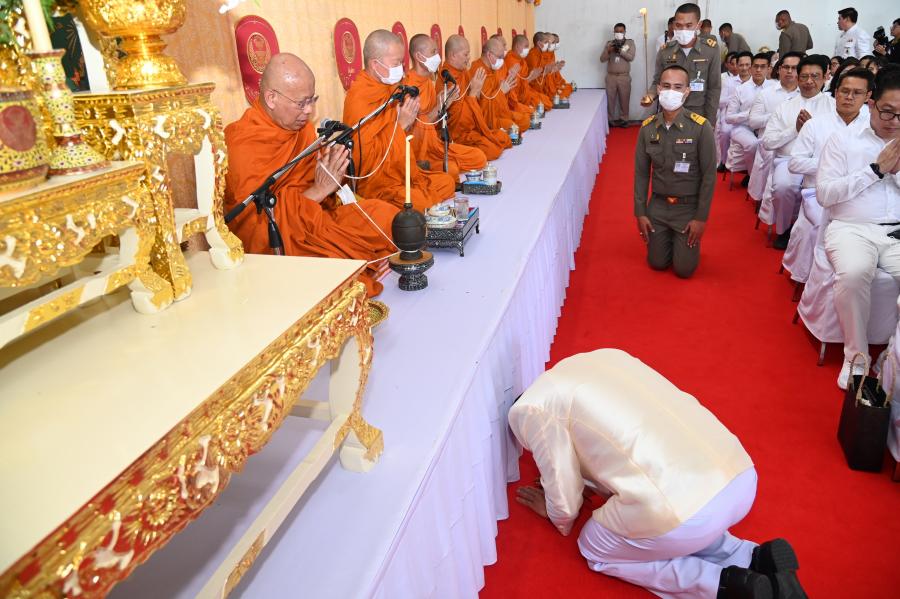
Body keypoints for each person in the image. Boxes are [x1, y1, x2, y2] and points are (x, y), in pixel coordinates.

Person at [510, 348, 809, 599]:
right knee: (675, 511)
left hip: (685, 513)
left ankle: (724, 584)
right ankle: (752, 557)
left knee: (595, 547)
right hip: (739, 474)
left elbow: (562, 490)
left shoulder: (530, 409)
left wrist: (556, 514)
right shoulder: (600, 357)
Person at [224, 53, 398, 297]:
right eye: (301, 103)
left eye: (312, 100)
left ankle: (367, 260)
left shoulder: (301, 130)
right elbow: (255, 227)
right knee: (340, 274)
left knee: (387, 216)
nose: (309, 110)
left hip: (317, 219)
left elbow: (322, 191)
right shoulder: (243, 143)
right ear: (271, 98)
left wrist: (332, 171)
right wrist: (318, 190)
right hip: (283, 242)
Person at [817, 65, 900, 389]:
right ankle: (856, 357)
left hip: (896, 232)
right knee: (853, 274)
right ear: (872, 103)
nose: (894, 121)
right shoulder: (844, 140)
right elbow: (825, 194)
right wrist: (875, 170)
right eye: (888, 112)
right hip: (850, 228)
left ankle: (891, 355)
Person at [343, 30, 456, 213]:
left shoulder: (392, 88)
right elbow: (365, 163)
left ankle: (416, 198)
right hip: (377, 183)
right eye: (396, 63)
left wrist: (409, 122)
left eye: (401, 63)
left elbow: (409, 139)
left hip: (402, 172)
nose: (401, 69)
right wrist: (401, 125)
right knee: (420, 202)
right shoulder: (360, 98)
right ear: (375, 64)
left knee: (447, 182)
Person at [786, 67, 873, 269]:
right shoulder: (815, 125)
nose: (849, 97)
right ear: (836, 92)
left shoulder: (871, 128)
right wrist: (830, 164)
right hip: (816, 194)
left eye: (857, 93)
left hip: (858, 195)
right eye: (845, 91)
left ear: (868, 96)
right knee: (827, 228)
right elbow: (794, 163)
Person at [635, 65, 716, 279]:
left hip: (687, 208)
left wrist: (701, 218)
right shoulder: (647, 128)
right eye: (666, 86)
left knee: (684, 270)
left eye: (678, 87)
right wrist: (640, 213)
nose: (671, 91)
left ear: (687, 91)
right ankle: (668, 240)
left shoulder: (701, 127)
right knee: (657, 263)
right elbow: (641, 174)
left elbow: (709, 176)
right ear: (658, 89)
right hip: (658, 206)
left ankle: (681, 244)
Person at [760, 55, 834, 249]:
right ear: (797, 78)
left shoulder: (834, 107)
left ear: (825, 77)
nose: (809, 81)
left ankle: (822, 234)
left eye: (815, 76)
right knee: (783, 186)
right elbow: (767, 142)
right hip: (788, 160)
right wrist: (795, 130)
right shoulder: (785, 107)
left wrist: (812, 129)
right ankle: (784, 229)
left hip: (821, 162)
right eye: (804, 76)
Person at [405, 34, 487, 180]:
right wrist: (440, 106)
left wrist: (445, 106)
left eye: (437, 52)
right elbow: (413, 128)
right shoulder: (408, 85)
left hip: (435, 144)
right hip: (417, 150)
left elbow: (436, 125)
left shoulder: (428, 82)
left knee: (479, 157)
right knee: (451, 171)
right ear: (419, 56)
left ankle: (433, 169)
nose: (438, 56)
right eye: (433, 52)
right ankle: (423, 169)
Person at [642, 3, 722, 126]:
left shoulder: (710, 50)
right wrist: (650, 95)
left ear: (698, 25)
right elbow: (657, 81)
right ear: (674, 24)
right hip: (670, 112)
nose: (683, 30)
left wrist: (710, 121)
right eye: (678, 25)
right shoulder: (665, 51)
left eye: (689, 25)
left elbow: (714, 88)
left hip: (698, 113)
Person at [441, 34, 511, 160]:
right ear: (453, 55)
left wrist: (476, 95)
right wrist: (473, 94)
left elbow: (480, 103)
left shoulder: (464, 72)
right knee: (491, 150)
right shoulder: (447, 78)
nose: (469, 58)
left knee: (503, 138)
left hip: (474, 127)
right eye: (466, 54)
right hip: (458, 134)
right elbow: (455, 121)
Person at [746, 52, 803, 202]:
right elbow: (753, 122)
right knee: (770, 155)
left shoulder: (805, 95)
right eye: (786, 67)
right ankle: (766, 199)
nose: (789, 71)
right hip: (768, 141)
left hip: (796, 144)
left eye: (794, 68)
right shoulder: (766, 94)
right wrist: (775, 115)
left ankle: (789, 201)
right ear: (779, 69)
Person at [726, 53, 777, 180]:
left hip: (766, 127)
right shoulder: (740, 89)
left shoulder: (774, 87)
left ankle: (769, 179)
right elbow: (729, 117)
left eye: (762, 67)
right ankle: (751, 176)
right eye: (756, 66)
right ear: (751, 69)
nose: (758, 70)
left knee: (771, 145)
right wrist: (748, 115)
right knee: (753, 144)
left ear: (769, 69)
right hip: (743, 127)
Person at [470, 37, 531, 134]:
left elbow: (505, 99)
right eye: (500, 57)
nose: (502, 61)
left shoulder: (493, 69)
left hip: (499, 112)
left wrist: (509, 82)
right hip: (487, 119)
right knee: (512, 128)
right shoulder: (479, 71)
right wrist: (501, 91)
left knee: (525, 120)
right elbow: (483, 107)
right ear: (489, 55)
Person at [717, 51, 753, 170]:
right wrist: (734, 98)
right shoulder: (728, 81)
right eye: (741, 65)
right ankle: (723, 161)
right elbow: (720, 101)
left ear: (751, 66)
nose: (744, 68)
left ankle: (748, 166)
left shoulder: (755, 82)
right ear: (737, 66)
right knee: (725, 131)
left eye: (747, 65)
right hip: (730, 115)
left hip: (749, 117)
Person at [505, 34, 553, 114]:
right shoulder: (510, 60)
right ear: (517, 46)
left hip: (526, 92)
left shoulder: (522, 61)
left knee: (546, 101)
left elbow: (526, 83)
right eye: (526, 46)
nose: (527, 49)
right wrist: (530, 78)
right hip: (515, 98)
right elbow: (513, 89)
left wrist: (545, 72)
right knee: (531, 111)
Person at [601, 22, 636, 127]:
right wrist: (609, 51)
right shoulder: (609, 43)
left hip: (624, 76)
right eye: (616, 31)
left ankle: (624, 119)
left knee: (624, 99)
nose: (618, 33)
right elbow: (602, 59)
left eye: (621, 31)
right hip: (611, 76)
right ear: (613, 32)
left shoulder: (630, 43)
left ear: (625, 32)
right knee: (610, 100)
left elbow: (631, 58)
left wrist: (620, 51)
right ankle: (609, 119)